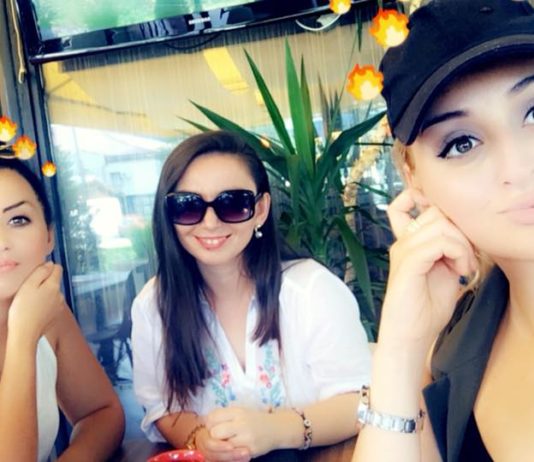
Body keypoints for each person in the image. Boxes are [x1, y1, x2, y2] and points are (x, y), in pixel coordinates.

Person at [352, 0, 534, 460]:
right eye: (462, 143)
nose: (518, 168)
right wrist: (400, 348)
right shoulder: (455, 343)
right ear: (415, 182)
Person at [132, 130, 371, 461]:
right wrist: (199, 439)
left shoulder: (312, 290)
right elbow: (162, 407)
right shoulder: (153, 306)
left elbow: (361, 402)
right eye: (188, 206)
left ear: (260, 210)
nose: (210, 222)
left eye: (232, 203)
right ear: (168, 215)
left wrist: (276, 431)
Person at [0, 157, 125, 461]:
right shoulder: (35, 317)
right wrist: (23, 337)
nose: (1, 241)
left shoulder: (48, 315)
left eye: (18, 220)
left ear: (49, 236)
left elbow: (102, 413)